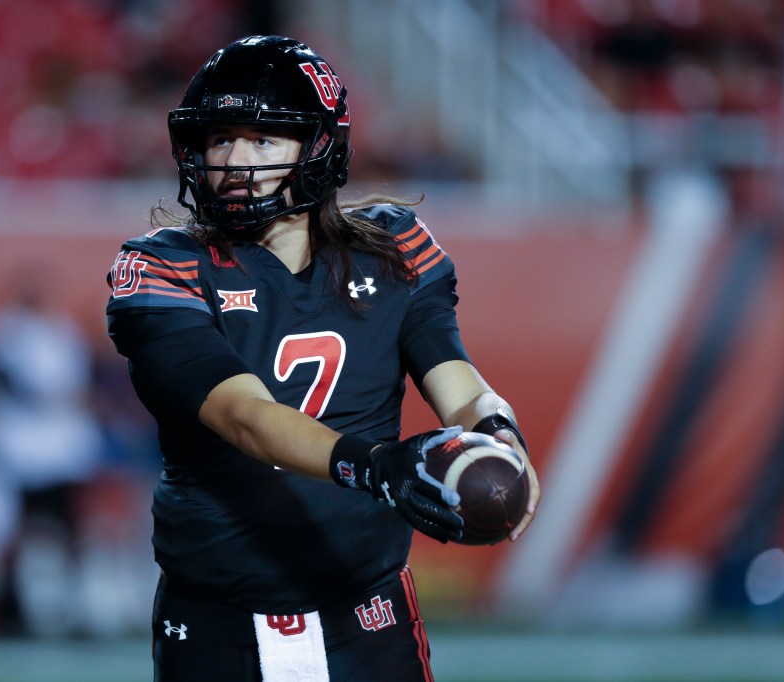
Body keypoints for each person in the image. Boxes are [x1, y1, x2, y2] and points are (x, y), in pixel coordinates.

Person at [106, 35, 540, 681]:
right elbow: (245, 415)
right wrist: (377, 466)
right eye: (221, 137)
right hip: (219, 614)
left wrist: (496, 435)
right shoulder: (161, 265)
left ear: (317, 145)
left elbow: (457, 378)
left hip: (365, 609)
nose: (234, 160)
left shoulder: (396, 248)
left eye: (263, 139)